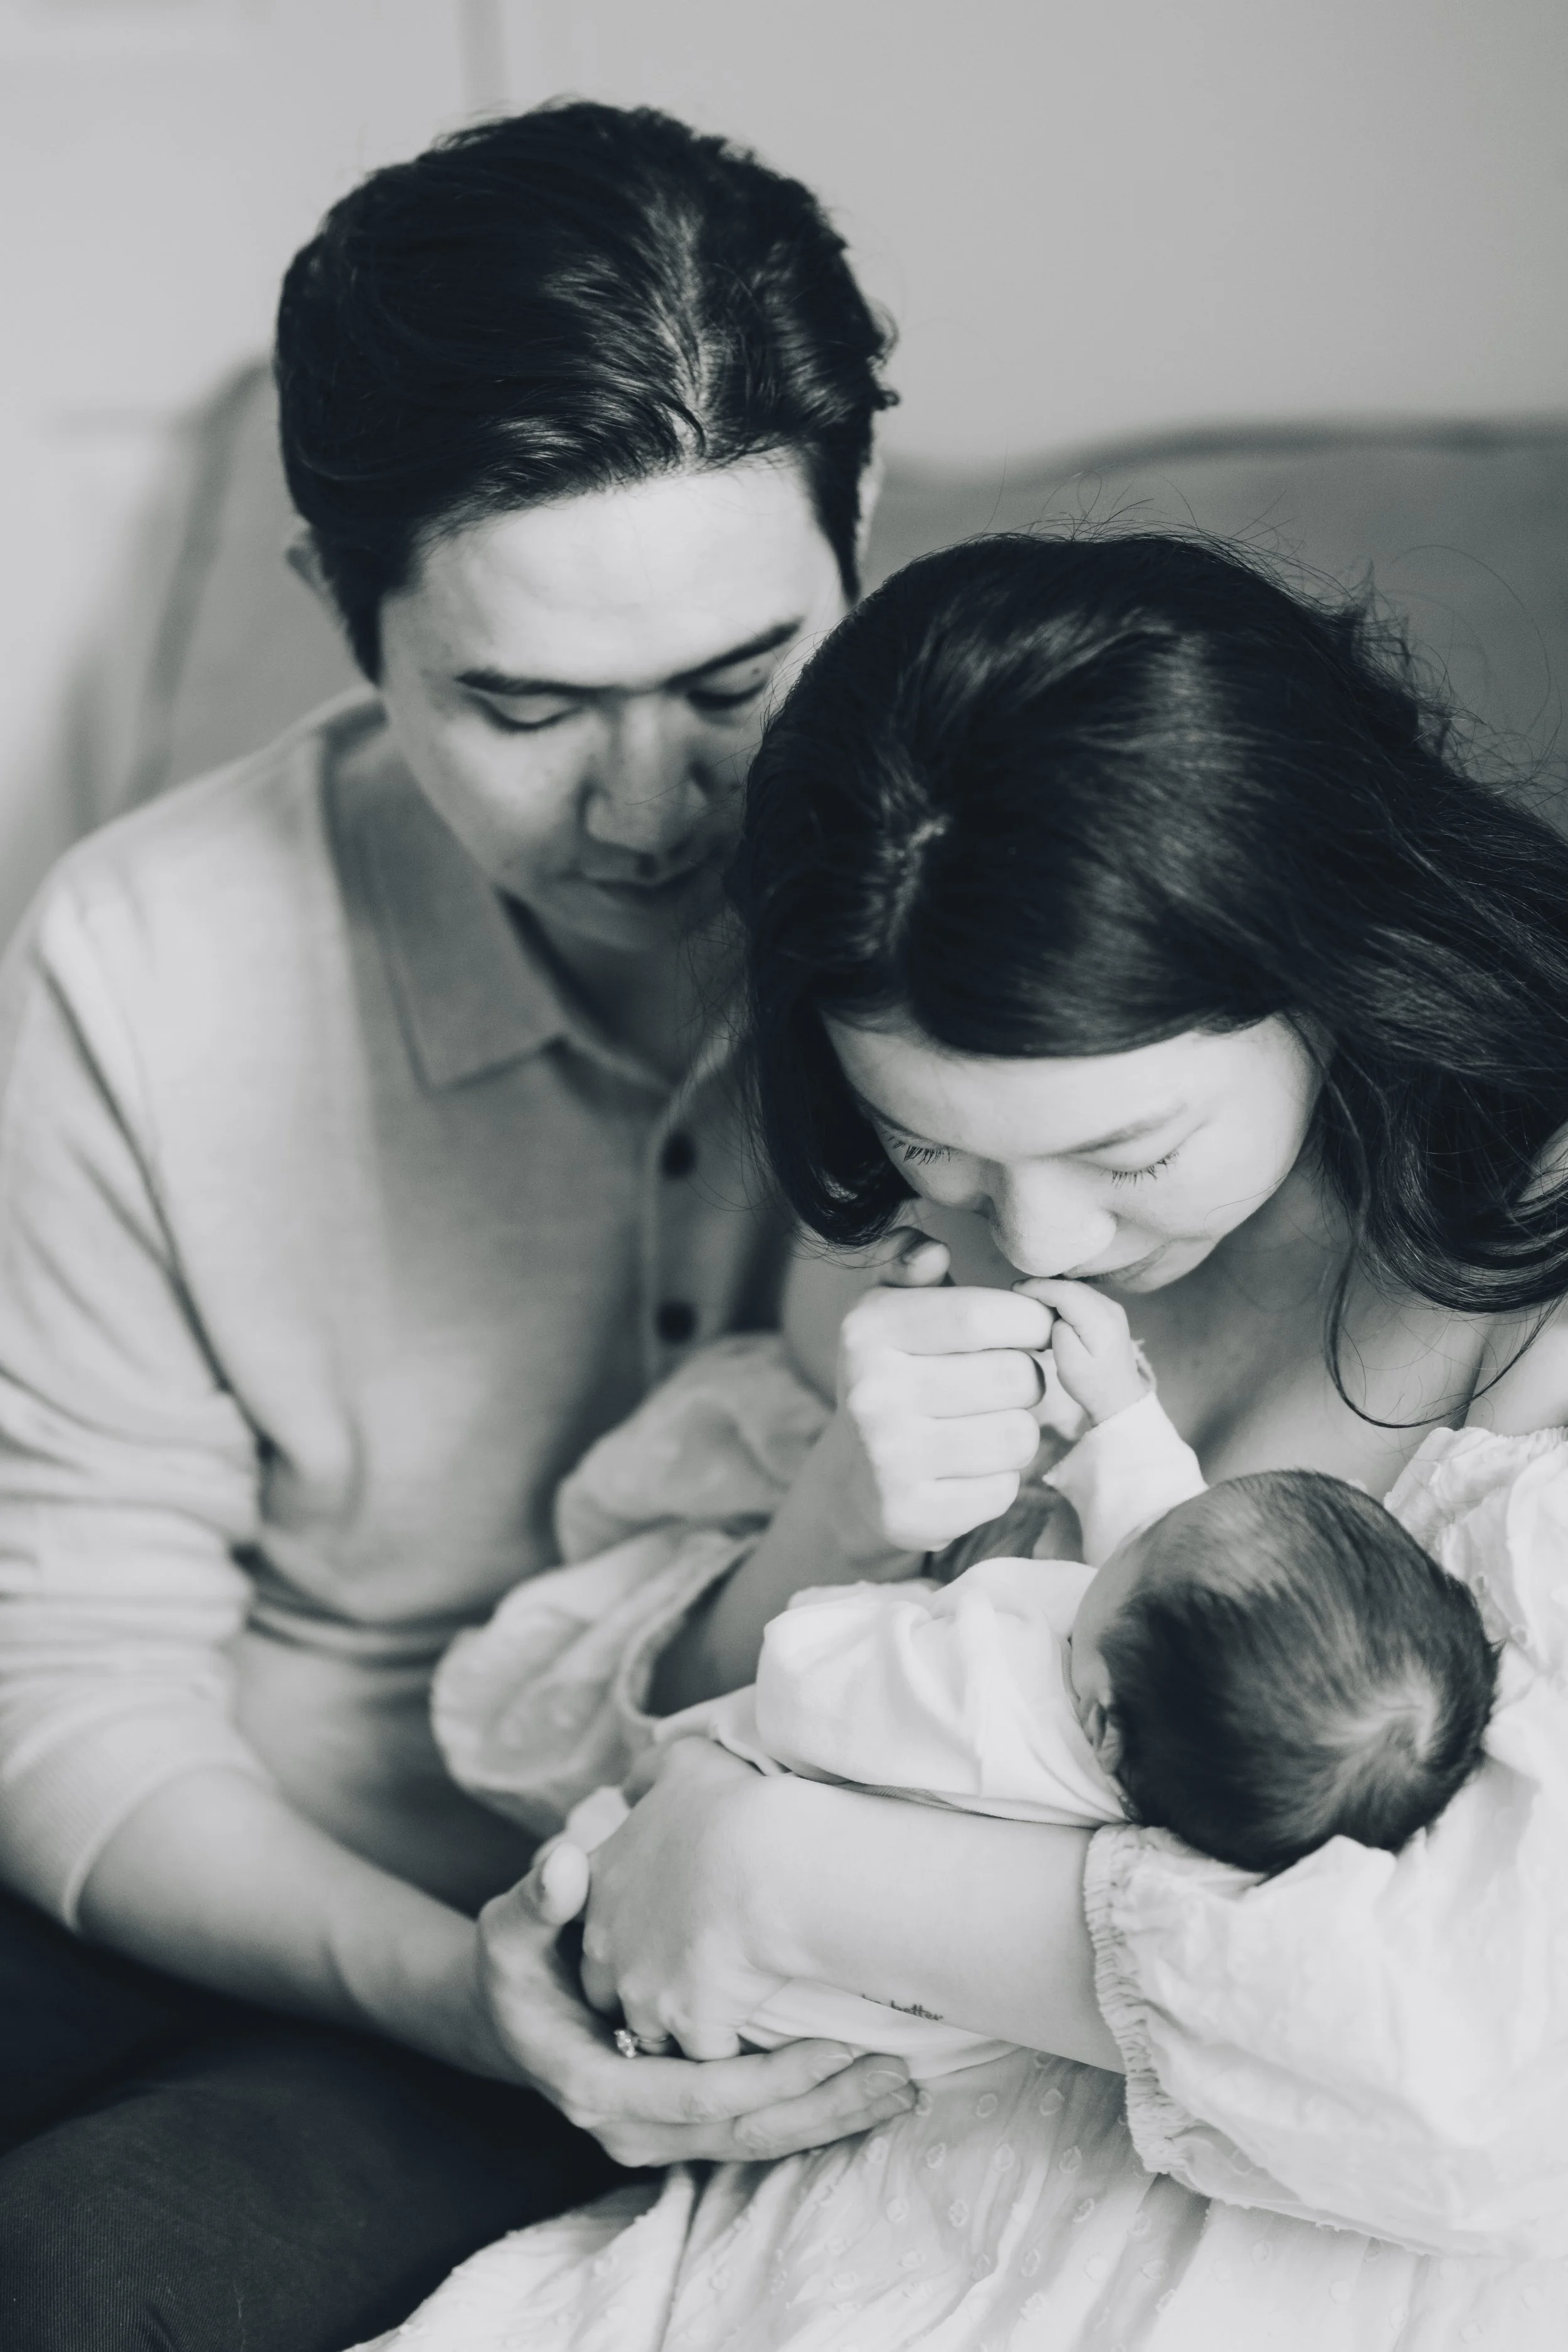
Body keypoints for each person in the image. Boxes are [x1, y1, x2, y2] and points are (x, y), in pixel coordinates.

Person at [385, 530, 1568, 2348]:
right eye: (933, 1138)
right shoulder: (912, 1257)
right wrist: (829, 1522)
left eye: (1128, 1152)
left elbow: (1489, 2068)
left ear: (1327, 960)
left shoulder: (1529, 1291)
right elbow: (560, 1779)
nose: (1046, 1237)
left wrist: (808, 1878)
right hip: (833, 2237)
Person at [0, 100, 913, 2352]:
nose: (651, 810)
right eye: (522, 706)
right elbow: (70, 1686)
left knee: (92, 2273)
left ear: (858, 525)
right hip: (236, 1871)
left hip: (711, 1928)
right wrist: (450, 1987)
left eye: (735, 684)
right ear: (337, 606)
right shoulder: (148, 953)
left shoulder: (1017, 912)